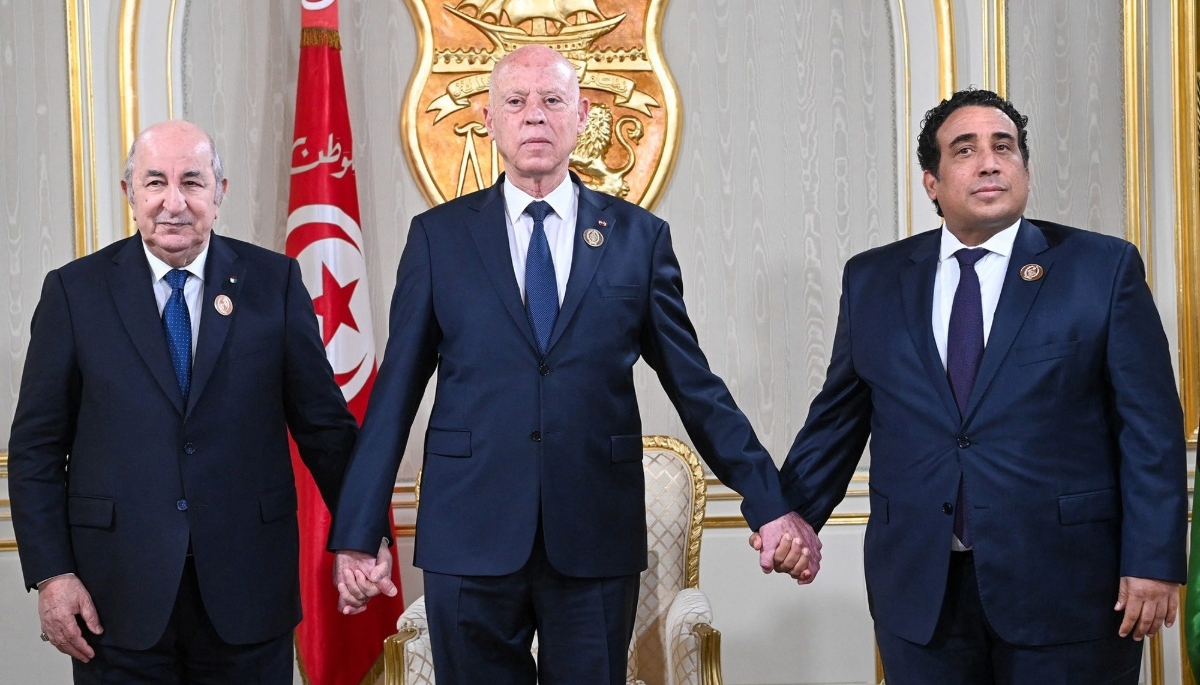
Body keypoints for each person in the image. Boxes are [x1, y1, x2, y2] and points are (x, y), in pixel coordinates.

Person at [326, 44, 818, 684]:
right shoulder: (438, 238)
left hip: (592, 534)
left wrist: (769, 501)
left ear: (582, 116)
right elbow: (394, 395)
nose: (535, 115)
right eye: (516, 101)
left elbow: (696, 387)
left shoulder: (639, 240)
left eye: (552, 101)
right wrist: (360, 532)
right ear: (489, 118)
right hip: (470, 532)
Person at [758, 88, 1187, 684]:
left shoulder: (1101, 268)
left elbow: (1151, 430)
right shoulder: (873, 280)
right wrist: (787, 515)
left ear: (1025, 170)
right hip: (921, 592)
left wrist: (1155, 561)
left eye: (1003, 147)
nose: (989, 162)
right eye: (965, 150)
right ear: (931, 181)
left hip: (1068, 591)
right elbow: (837, 422)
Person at [8, 120, 363, 684]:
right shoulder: (75, 292)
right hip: (114, 598)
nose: (173, 203)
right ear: (130, 193)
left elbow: (326, 430)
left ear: (219, 193)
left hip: (249, 593)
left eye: (192, 182)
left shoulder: (275, 282)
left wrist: (363, 535)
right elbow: (35, 450)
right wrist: (52, 576)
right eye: (155, 183)